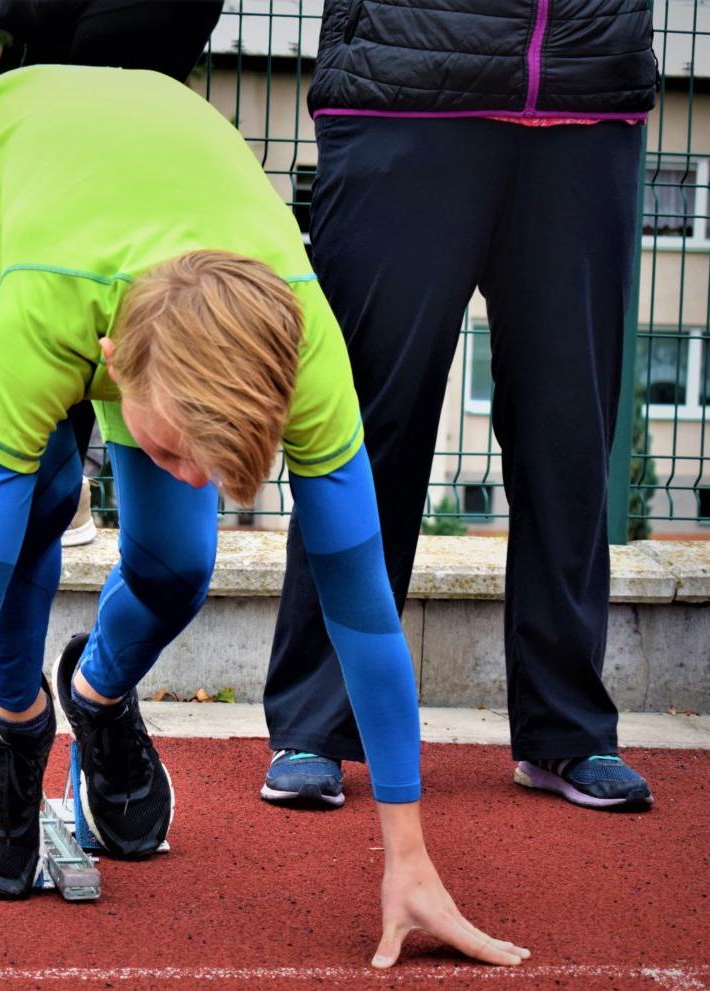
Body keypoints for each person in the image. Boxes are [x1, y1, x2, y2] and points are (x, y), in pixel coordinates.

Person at [0, 65, 529, 971]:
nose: (194, 472)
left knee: (181, 563)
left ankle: (99, 694)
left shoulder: (305, 354)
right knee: (28, 492)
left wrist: (411, 857)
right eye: (180, 448)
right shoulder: (50, 312)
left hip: (136, 204)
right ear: (113, 361)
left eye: (210, 461)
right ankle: (15, 716)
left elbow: (365, 611)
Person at [262, 2, 658, 812]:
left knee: (569, 436)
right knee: (371, 427)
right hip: (406, 84)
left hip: (588, 93)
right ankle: (316, 721)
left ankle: (565, 727)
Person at [0, 0, 227, 549]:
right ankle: (64, 488)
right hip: (48, 116)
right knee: (30, 519)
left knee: (174, 563)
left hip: (124, 117)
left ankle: (76, 495)